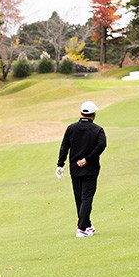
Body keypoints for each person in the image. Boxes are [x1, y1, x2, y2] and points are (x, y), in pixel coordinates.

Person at [56, 101, 107, 238]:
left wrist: (60, 164)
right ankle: (82, 228)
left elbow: (64, 147)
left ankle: (87, 225)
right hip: (91, 169)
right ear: (94, 114)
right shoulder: (98, 130)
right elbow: (101, 145)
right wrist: (88, 159)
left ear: (81, 113)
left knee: (79, 198)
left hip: (75, 169)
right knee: (87, 198)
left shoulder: (71, 128)